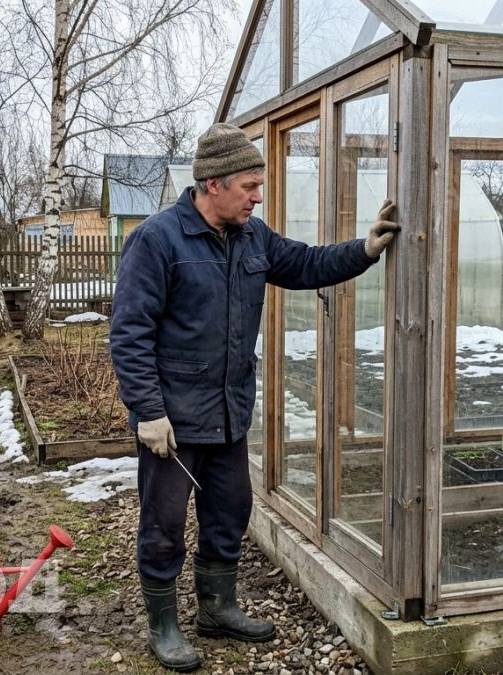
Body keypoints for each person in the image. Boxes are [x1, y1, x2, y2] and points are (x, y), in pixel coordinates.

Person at [109, 122, 399, 672]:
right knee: (164, 522)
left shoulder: (253, 238)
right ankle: (164, 624)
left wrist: (364, 249)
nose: (258, 195)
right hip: (172, 421)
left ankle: (217, 608)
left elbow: (308, 263)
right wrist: (147, 411)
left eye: (259, 184)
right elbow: (129, 332)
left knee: (230, 511)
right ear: (213, 184)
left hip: (228, 414)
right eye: (249, 184)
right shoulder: (158, 240)